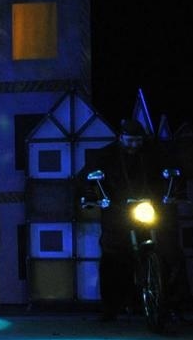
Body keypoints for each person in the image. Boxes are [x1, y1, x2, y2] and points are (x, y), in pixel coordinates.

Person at [78, 118, 185, 322]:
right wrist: (90, 195)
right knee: (112, 254)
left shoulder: (155, 152)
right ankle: (110, 308)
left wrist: (176, 190)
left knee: (170, 250)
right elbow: (85, 176)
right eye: (130, 140)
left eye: (138, 140)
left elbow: (174, 170)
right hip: (119, 210)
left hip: (152, 208)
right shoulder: (107, 154)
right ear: (121, 137)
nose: (134, 145)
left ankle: (173, 304)